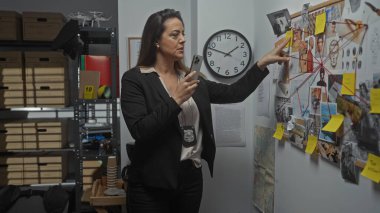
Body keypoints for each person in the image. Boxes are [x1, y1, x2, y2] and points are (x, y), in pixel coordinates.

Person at [121, 8, 290, 213]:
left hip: (191, 178)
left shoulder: (192, 79)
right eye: (175, 35)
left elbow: (235, 93)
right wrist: (176, 100)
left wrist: (262, 64)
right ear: (156, 40)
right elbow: (140, 130)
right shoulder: (135, 79)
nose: (182, 39)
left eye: (183, 33)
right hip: (151, 182)